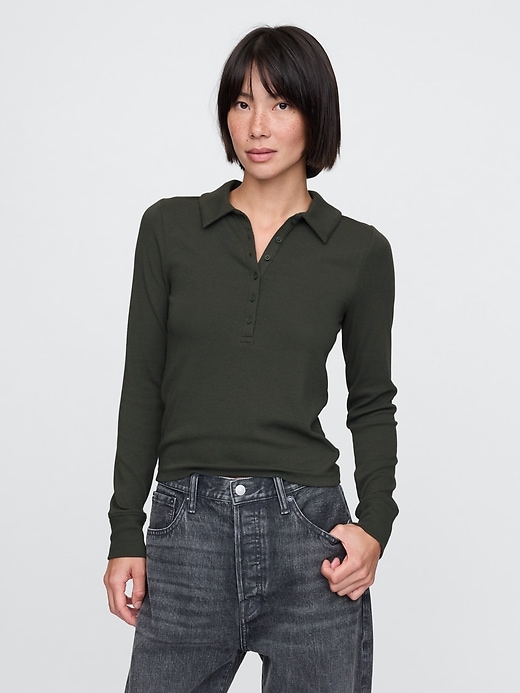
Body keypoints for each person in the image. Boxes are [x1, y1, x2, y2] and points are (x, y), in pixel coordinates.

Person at [103, 24, 398, 693]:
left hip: (309, 535)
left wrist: (375, 525)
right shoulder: (169, 228)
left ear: (315, 116)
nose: (257, 125)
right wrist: (125, 531)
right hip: (186, 529)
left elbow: (371, 400)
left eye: (280, 104)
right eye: (242, 103)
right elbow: (142, 385)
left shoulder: (359, 252)